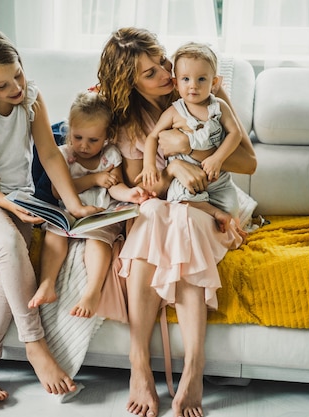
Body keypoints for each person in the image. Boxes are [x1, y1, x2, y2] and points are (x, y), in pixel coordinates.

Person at [97, 27, 257, 417]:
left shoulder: (205, 89)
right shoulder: (132, 122)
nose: (167, 75)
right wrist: (176, 169)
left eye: (163, 62)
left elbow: (248, 162)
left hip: (208, 205)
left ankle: (195, 366)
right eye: (150, 73)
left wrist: (189, 148)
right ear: (130, 83)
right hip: (167, 207)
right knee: (153, 214)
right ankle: (139, 365)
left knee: (179, 219)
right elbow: (145, 188)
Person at [0, 28, 101, 406]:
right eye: (3, 85)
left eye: (17, 74)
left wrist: (75, 206)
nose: (16, 86)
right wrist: (6, 203)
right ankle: (36, 347)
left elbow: (50, 155)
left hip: (19, 198)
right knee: (5, 242)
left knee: (7, 263)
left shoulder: (31, 97)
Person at [29, 90, 149, 318]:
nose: (83, 145)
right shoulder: (63, 155)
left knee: (98, 242)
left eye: (93, 140)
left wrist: (131, 194)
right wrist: (94, 179)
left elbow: (115, 186)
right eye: (77, 137)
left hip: (100, 214)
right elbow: (58, 190)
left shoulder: (111, 155)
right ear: (69, 130)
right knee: (54, 236)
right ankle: (47, 283)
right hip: (69, 213)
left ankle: (92, 292)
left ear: (107, 136)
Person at [139, 42, 241, 219]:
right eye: (186, 79)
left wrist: (218, 158)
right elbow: (153, 136)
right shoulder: (174, 112)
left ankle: (225, 219)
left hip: (219, 179)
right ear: (176, 83)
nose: (193, 85)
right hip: (186, 178)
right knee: (181, 199)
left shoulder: (219, 107)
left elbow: (235, 133)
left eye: (201, 79)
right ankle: (213, 213)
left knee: (232, 210)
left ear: (214, 82)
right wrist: (148, 165)